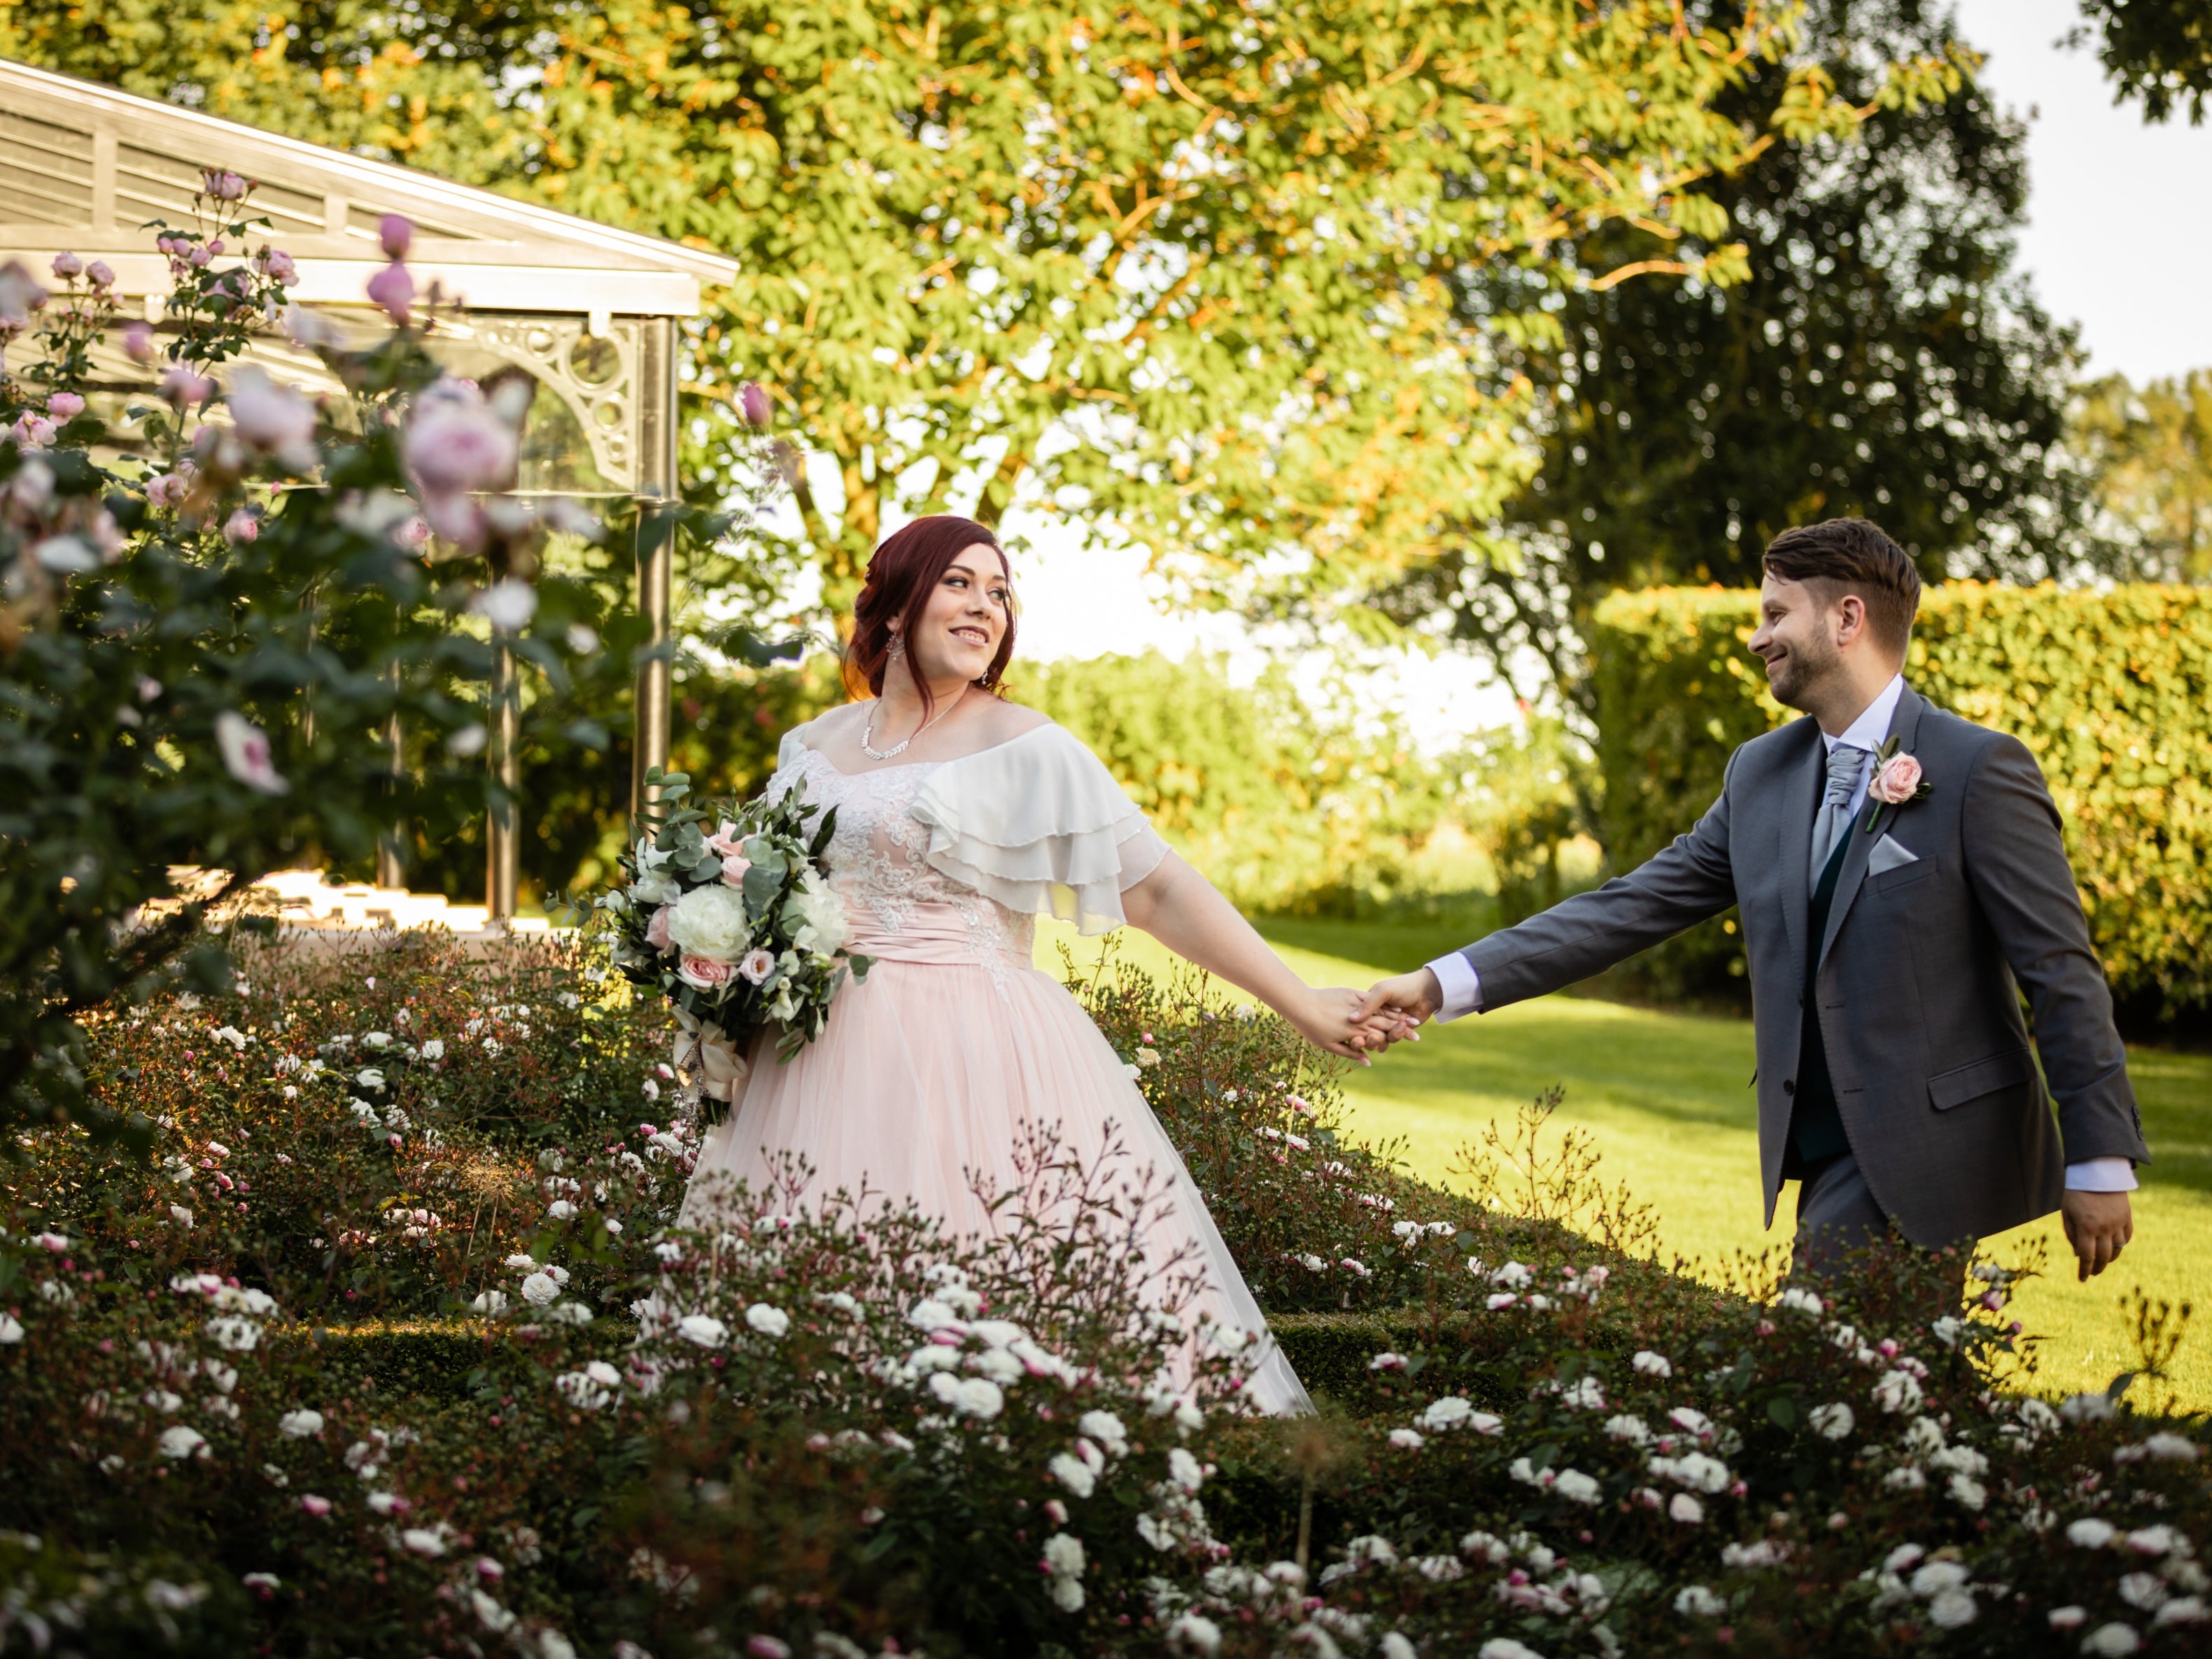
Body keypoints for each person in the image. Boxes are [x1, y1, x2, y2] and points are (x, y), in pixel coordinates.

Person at [682, 515, 1386, 1416]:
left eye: (1000, 592)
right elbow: (760, 886)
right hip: (812, 1057)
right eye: (960, 584)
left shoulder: (1024, 745)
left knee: (988, 1289)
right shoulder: (811, 746)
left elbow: (1157, 890)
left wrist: (1301, 1003)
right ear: (895, 603)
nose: (986, 607)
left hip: (975, 1058)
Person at [1358, 517, 2150, 1289]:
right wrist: (1437, 983)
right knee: (1870, 1400)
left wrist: (2098, 1157)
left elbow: (2056, 966)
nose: (1755, 637)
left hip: (1930, 1144)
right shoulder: (1760, 773)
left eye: (1775, 614)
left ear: (1847, 619)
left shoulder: (1978, 768)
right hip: (1825, 1148)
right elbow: (1627, 906)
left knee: (1809, 1377)